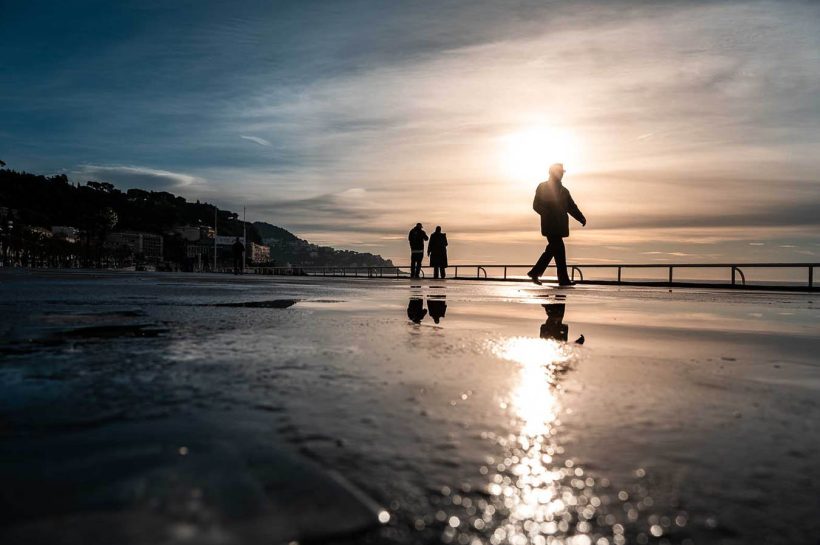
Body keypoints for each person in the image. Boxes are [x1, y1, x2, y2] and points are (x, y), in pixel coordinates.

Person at [527, 163, 586, 286]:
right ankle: (561, 279)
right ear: (552, 173)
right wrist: (547, 213)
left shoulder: (564, 191)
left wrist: (580, 217)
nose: (561, 175)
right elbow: (536, 205)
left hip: (560, 226)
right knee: (559, 249)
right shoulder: (543, 187)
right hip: (550, 225)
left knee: (554, 250)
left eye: (562, 173)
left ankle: (536, 272)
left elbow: (571, 207)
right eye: (559, 172)